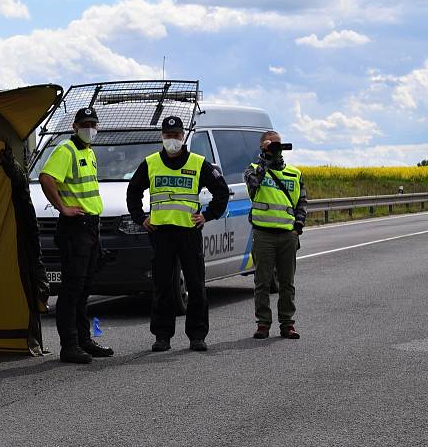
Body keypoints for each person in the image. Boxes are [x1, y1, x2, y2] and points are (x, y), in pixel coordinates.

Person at [126, 116, 229, 352]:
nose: (172, 140)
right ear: (162, 137)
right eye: (168, 135)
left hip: (188, 232)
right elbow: (133, 192)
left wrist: (208, 215)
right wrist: (140, 218)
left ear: (183, 136)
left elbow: (221, 192)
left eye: (176, 135)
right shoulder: (150, 163)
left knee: (196, 284)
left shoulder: (198, 162)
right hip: (160, 233)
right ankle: (162, 336)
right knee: (162, 286)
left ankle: (197, 335)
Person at [38, 107, 114, 364]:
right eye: (85, 124)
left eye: (93, 123)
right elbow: (46, 178)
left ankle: (84, 340)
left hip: (91, 227)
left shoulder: (89, 152)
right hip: (75, 228)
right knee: (72, 290)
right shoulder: (65, 149)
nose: (89, 128)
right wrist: (62, 207)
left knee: (84, 289)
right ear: (75, 126)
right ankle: (69, 345)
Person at [243, 131, 307, 340]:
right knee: (262, 282)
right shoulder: (253, 170)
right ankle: (263, 323)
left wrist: (298, 226)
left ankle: (287, 324)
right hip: (263, 235)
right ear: (262, 147)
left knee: (287, 282)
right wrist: (265, 160)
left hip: (288, 236)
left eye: (278, 145)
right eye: (271, 145)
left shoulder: (294, 173)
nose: (275, 148)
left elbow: (302, 202)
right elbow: (253, 188)